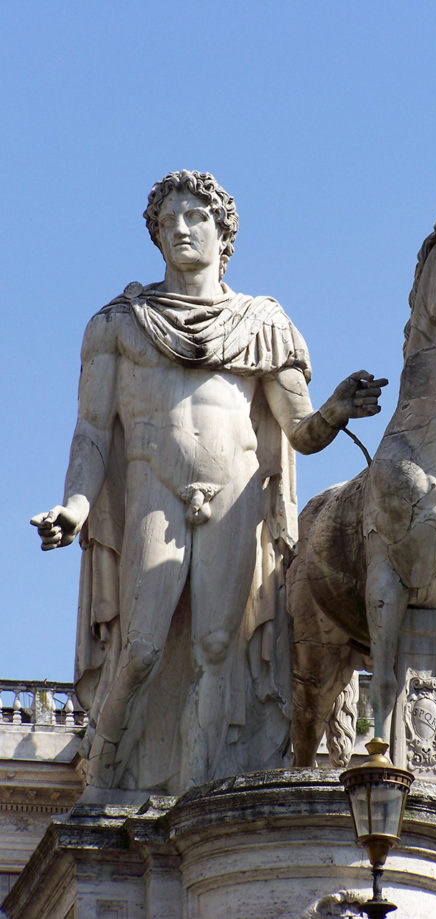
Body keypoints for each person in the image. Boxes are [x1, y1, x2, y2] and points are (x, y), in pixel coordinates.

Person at [31, 170, 387, 794]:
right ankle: (105, 764)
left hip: (236, 499)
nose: (179, 230)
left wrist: (335, 407)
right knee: (141, 647)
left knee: (219, 644)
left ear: (224, 232)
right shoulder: (119, 325)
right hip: (152, 494)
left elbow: (299, 431)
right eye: (167, 222)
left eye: (193, 217)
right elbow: (92, 432)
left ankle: (196, 797)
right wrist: (77, 506)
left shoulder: (262, 323)